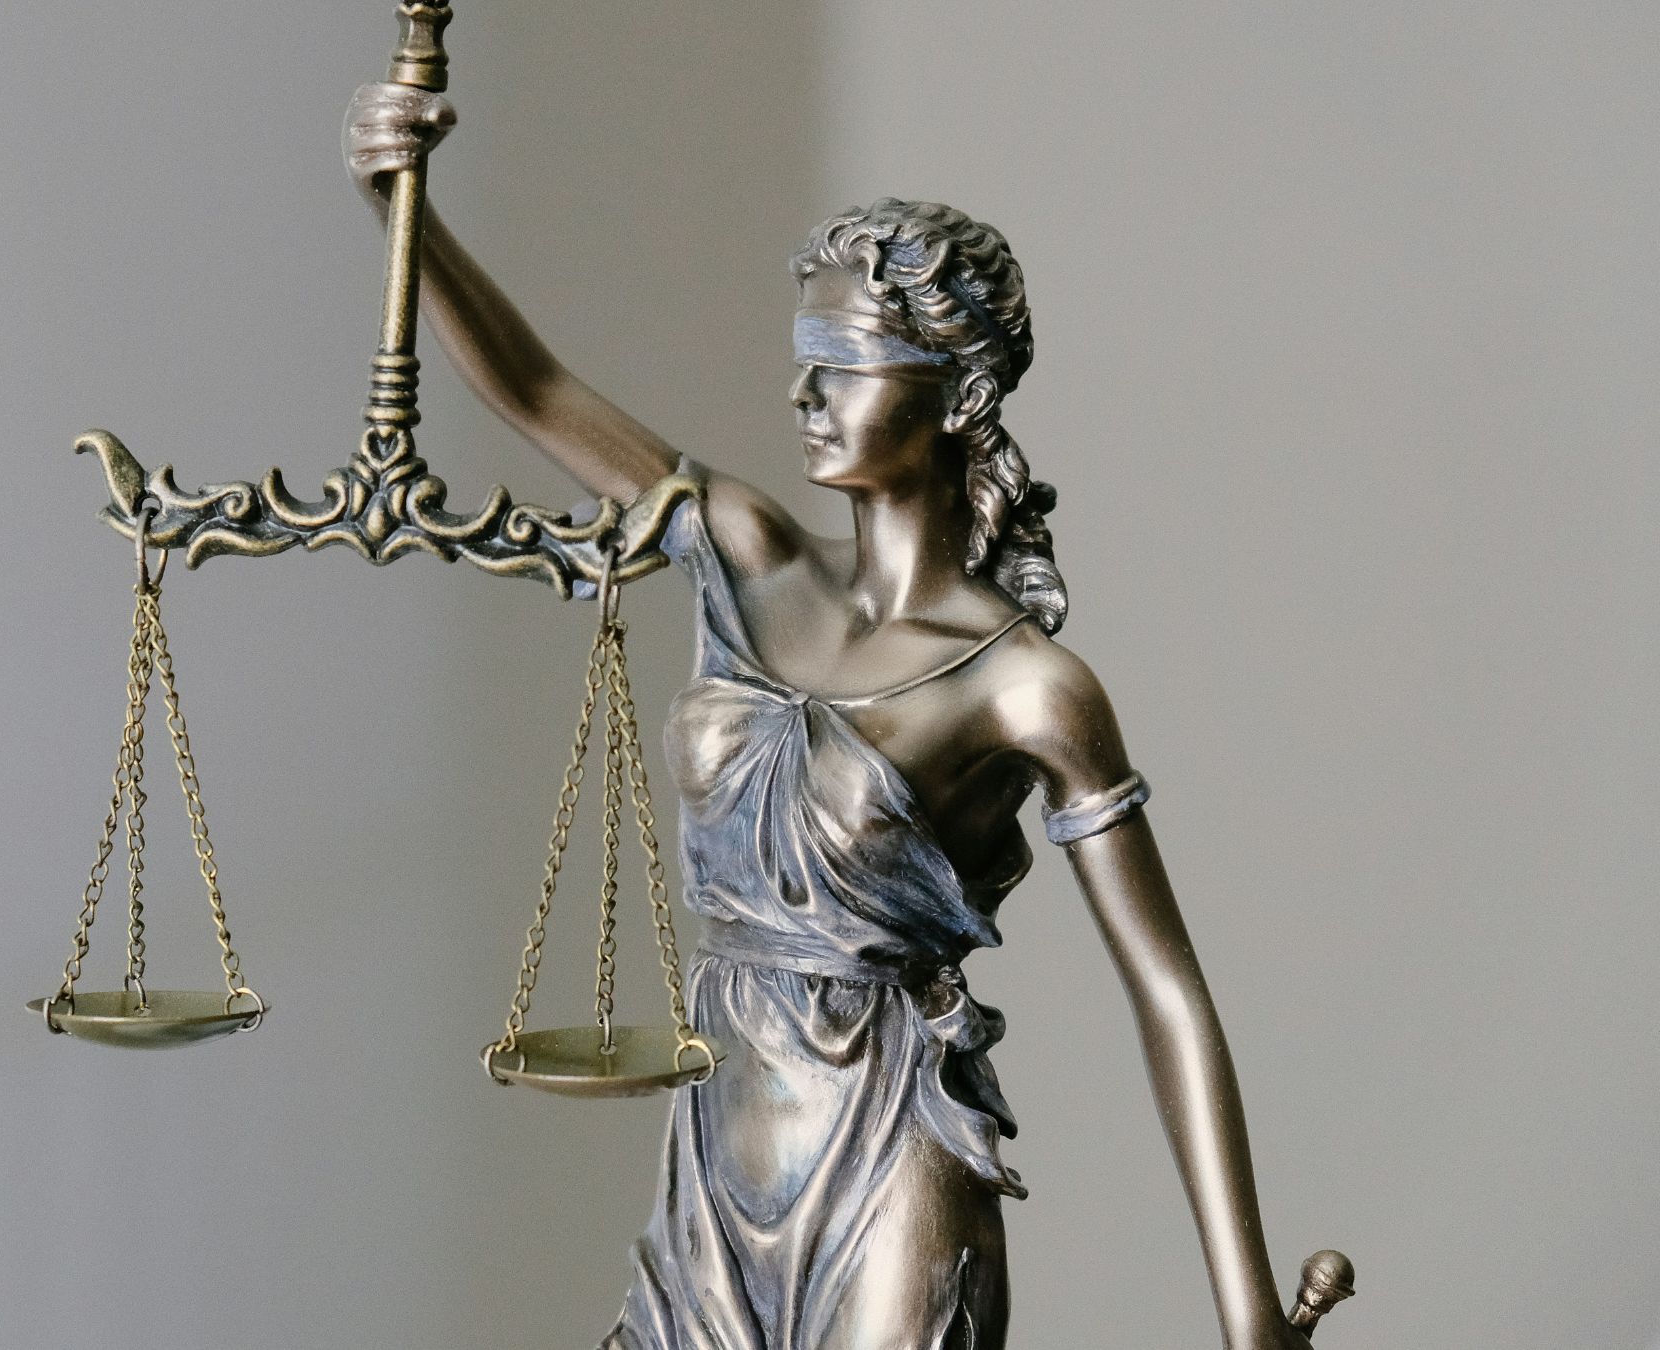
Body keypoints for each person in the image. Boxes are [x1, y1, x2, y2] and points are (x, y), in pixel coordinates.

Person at [345, 84, 1316, 1350]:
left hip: (897, 1158)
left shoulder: (1027, 685)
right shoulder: (746, 555)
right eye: (803, 361)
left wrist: (1247, 1309)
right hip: (715, 1161)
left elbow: (1170, 994)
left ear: (957, 399)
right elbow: (533, 388)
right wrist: (400, 212)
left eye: (845, 365)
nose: (806, 396)